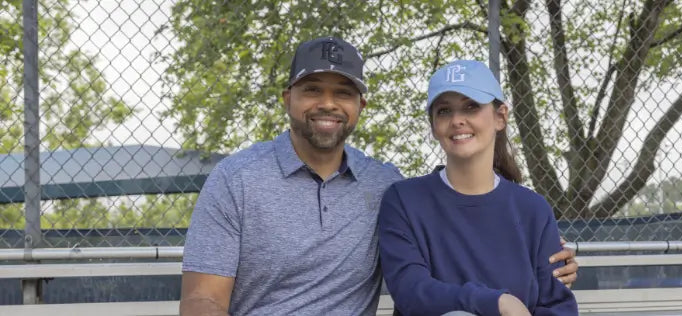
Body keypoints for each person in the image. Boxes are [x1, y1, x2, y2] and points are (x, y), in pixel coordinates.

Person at [179, 37, 578, 316]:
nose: (328, 104)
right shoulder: (237, 179)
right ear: (288, 99)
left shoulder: (383, 185)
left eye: (343, 93)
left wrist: (552, 256)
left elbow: (468, 211)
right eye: (313, 89)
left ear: (360, 105)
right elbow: (201, 303)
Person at [378, 60, 579, 316]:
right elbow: (412, 291)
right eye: (444, 111)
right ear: (433, 126)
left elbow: (558, 306)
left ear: (500, 116)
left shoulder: (532, 209)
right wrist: (499, 303)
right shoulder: (404, 200)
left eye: (471, 107)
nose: (457, 120)